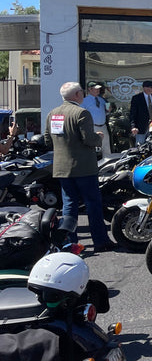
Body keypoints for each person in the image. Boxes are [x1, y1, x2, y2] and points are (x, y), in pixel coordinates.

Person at [43, 82, 114, 252]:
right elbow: (88, 139)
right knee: (93, 204)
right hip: (84, 167)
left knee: (69, 205)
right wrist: (99, 137)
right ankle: (100, 241)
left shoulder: (53, 114)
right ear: (77, 95)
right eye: (81, 92)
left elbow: (47, 140)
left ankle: (69, 242)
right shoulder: (81, 113)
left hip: (62, 167)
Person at [81, 81, 112, 156]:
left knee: (106, 147)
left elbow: (107, 111)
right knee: (92, 147)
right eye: (95, 89)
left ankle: (108, 163)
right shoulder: (84, 101)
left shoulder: (102, 100)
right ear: (90, 89)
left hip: (103, 126)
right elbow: (81, 115)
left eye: (98, 89)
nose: (98, 90)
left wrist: (108, 108)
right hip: (92, 126)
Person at [129, 80, 152, 145]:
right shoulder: (137, 98)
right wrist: (133, 126)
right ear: (145, 88)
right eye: (151, 87)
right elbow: (133, 113)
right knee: (140, 145)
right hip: (141, 126)